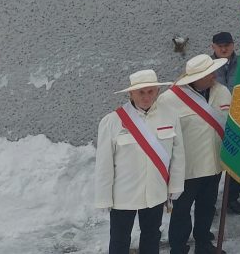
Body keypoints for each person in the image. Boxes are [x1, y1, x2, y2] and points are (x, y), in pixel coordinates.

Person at [96, 70, 186, 254]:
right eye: (141, 92)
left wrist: (175, 186)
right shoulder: (112, 121)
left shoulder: (170, 116)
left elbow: (178, 154)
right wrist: (104, 197)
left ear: (158, 91)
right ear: (131, 93)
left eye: (151, 91)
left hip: (155, 191)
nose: (146, 97)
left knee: (152, 237)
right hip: (123, 195)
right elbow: (104, 164)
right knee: (119, 240)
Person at [158, 56, 232, 254]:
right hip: (187, 169)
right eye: (208, 74)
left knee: (207, 207)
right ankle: (178, 248)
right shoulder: (169, 99)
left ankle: (203, 243)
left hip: (214, 164)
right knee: (181, 212)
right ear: (195, 78)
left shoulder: (222, 92)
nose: (214, 76)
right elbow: (163, 137)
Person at [209, 31, 240, 215]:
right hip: (213, 119)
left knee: (236, 161)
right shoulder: (206, 66)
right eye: (220, 46)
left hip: (238, 119)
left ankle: (231, 199)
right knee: (213, 163)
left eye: (227, 45)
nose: (224, 49)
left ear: (233, 45)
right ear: (213, 47)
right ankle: (208, 202)